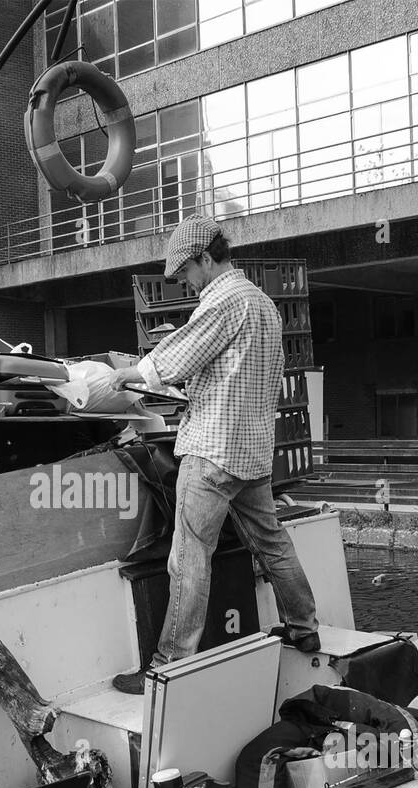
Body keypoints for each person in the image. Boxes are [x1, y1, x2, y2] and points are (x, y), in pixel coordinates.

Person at [109, 215, 320, 694]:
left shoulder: (224, 300)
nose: (184, 279)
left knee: (189, 556)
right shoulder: (264, 305)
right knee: (272, 542)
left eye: (186, 270)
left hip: (212, 452)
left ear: (206, 257)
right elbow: (242, 374)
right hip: (253, 451)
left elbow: (175, 360)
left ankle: (170, 662)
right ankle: (304, 628)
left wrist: (120, 375)